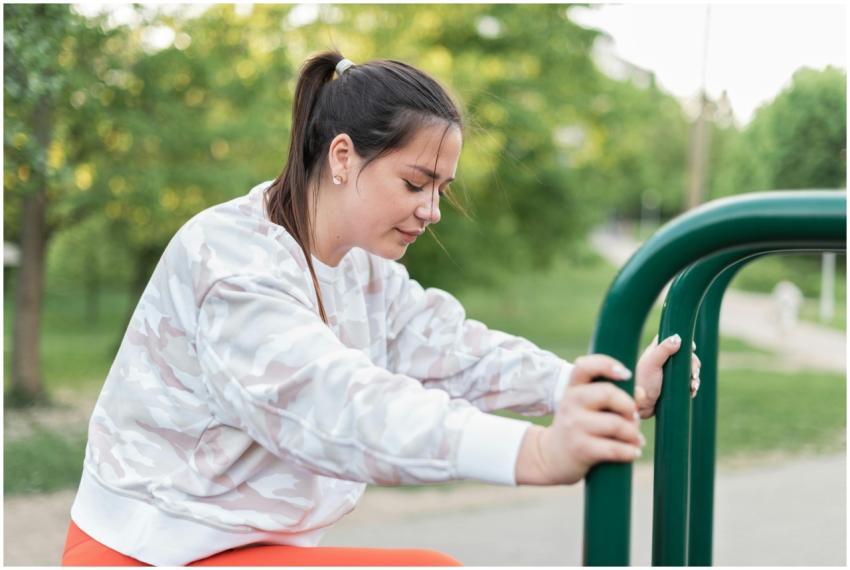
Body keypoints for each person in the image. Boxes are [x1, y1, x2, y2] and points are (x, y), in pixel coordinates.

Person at [61, 51, 700, 566]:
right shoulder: (231, 262)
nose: (433, 210)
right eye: (415, 183)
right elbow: (340, 405)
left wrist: (590, 384)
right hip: (150, 550)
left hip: (246, 547)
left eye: (441, 189)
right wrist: (532, 454)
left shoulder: (362, 267)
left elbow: (455, 349)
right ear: (343, 157)